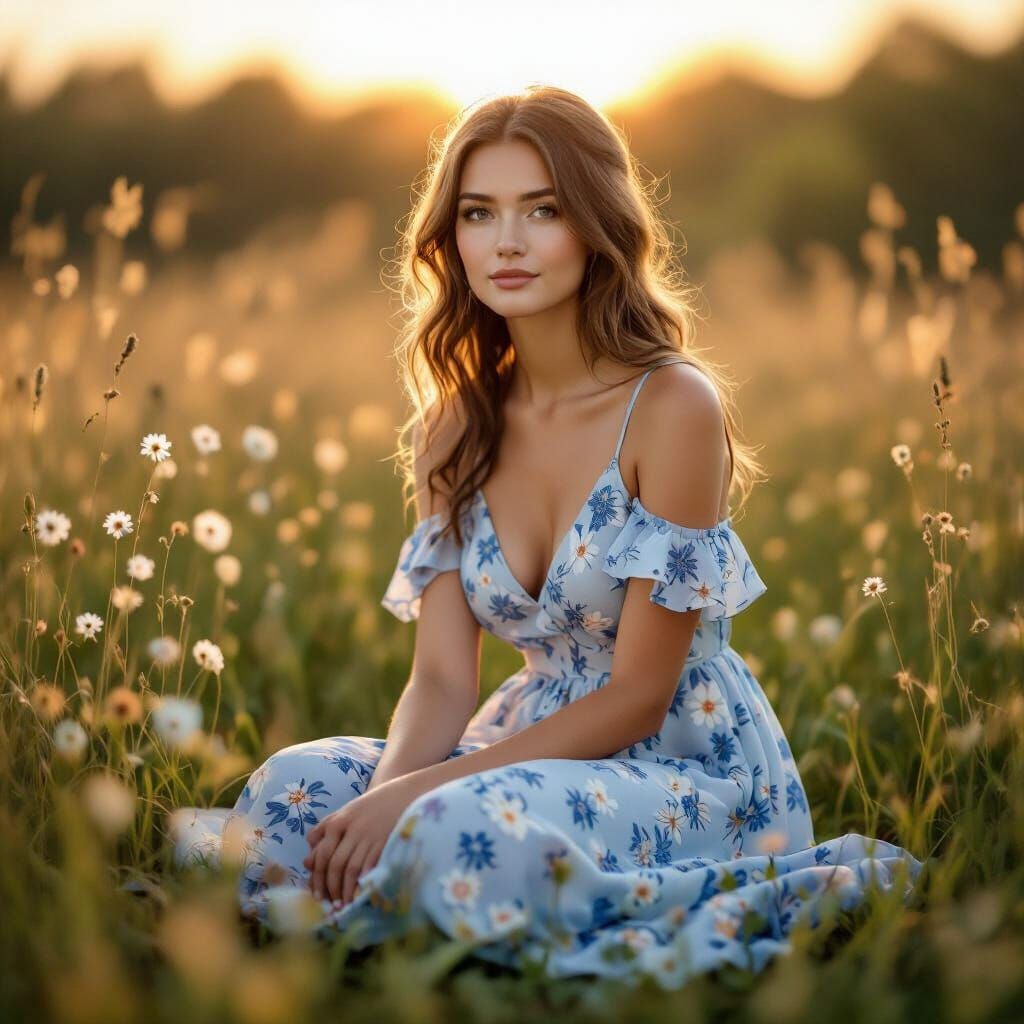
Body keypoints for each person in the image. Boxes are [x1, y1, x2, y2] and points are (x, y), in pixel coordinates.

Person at [174, 85, 924, 988]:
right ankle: (404, 897)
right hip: (525, 744)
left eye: (544, 210)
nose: (508, 242)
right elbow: (444, 677)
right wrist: (382, 799)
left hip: (684, 766)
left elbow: (641, 696)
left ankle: (401, 909)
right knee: (292, 795)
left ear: (597, 225)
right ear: (450, 238)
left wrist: (421, 799)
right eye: (479, 213)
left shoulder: (671, 406)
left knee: (450, 826)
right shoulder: (450, 427)